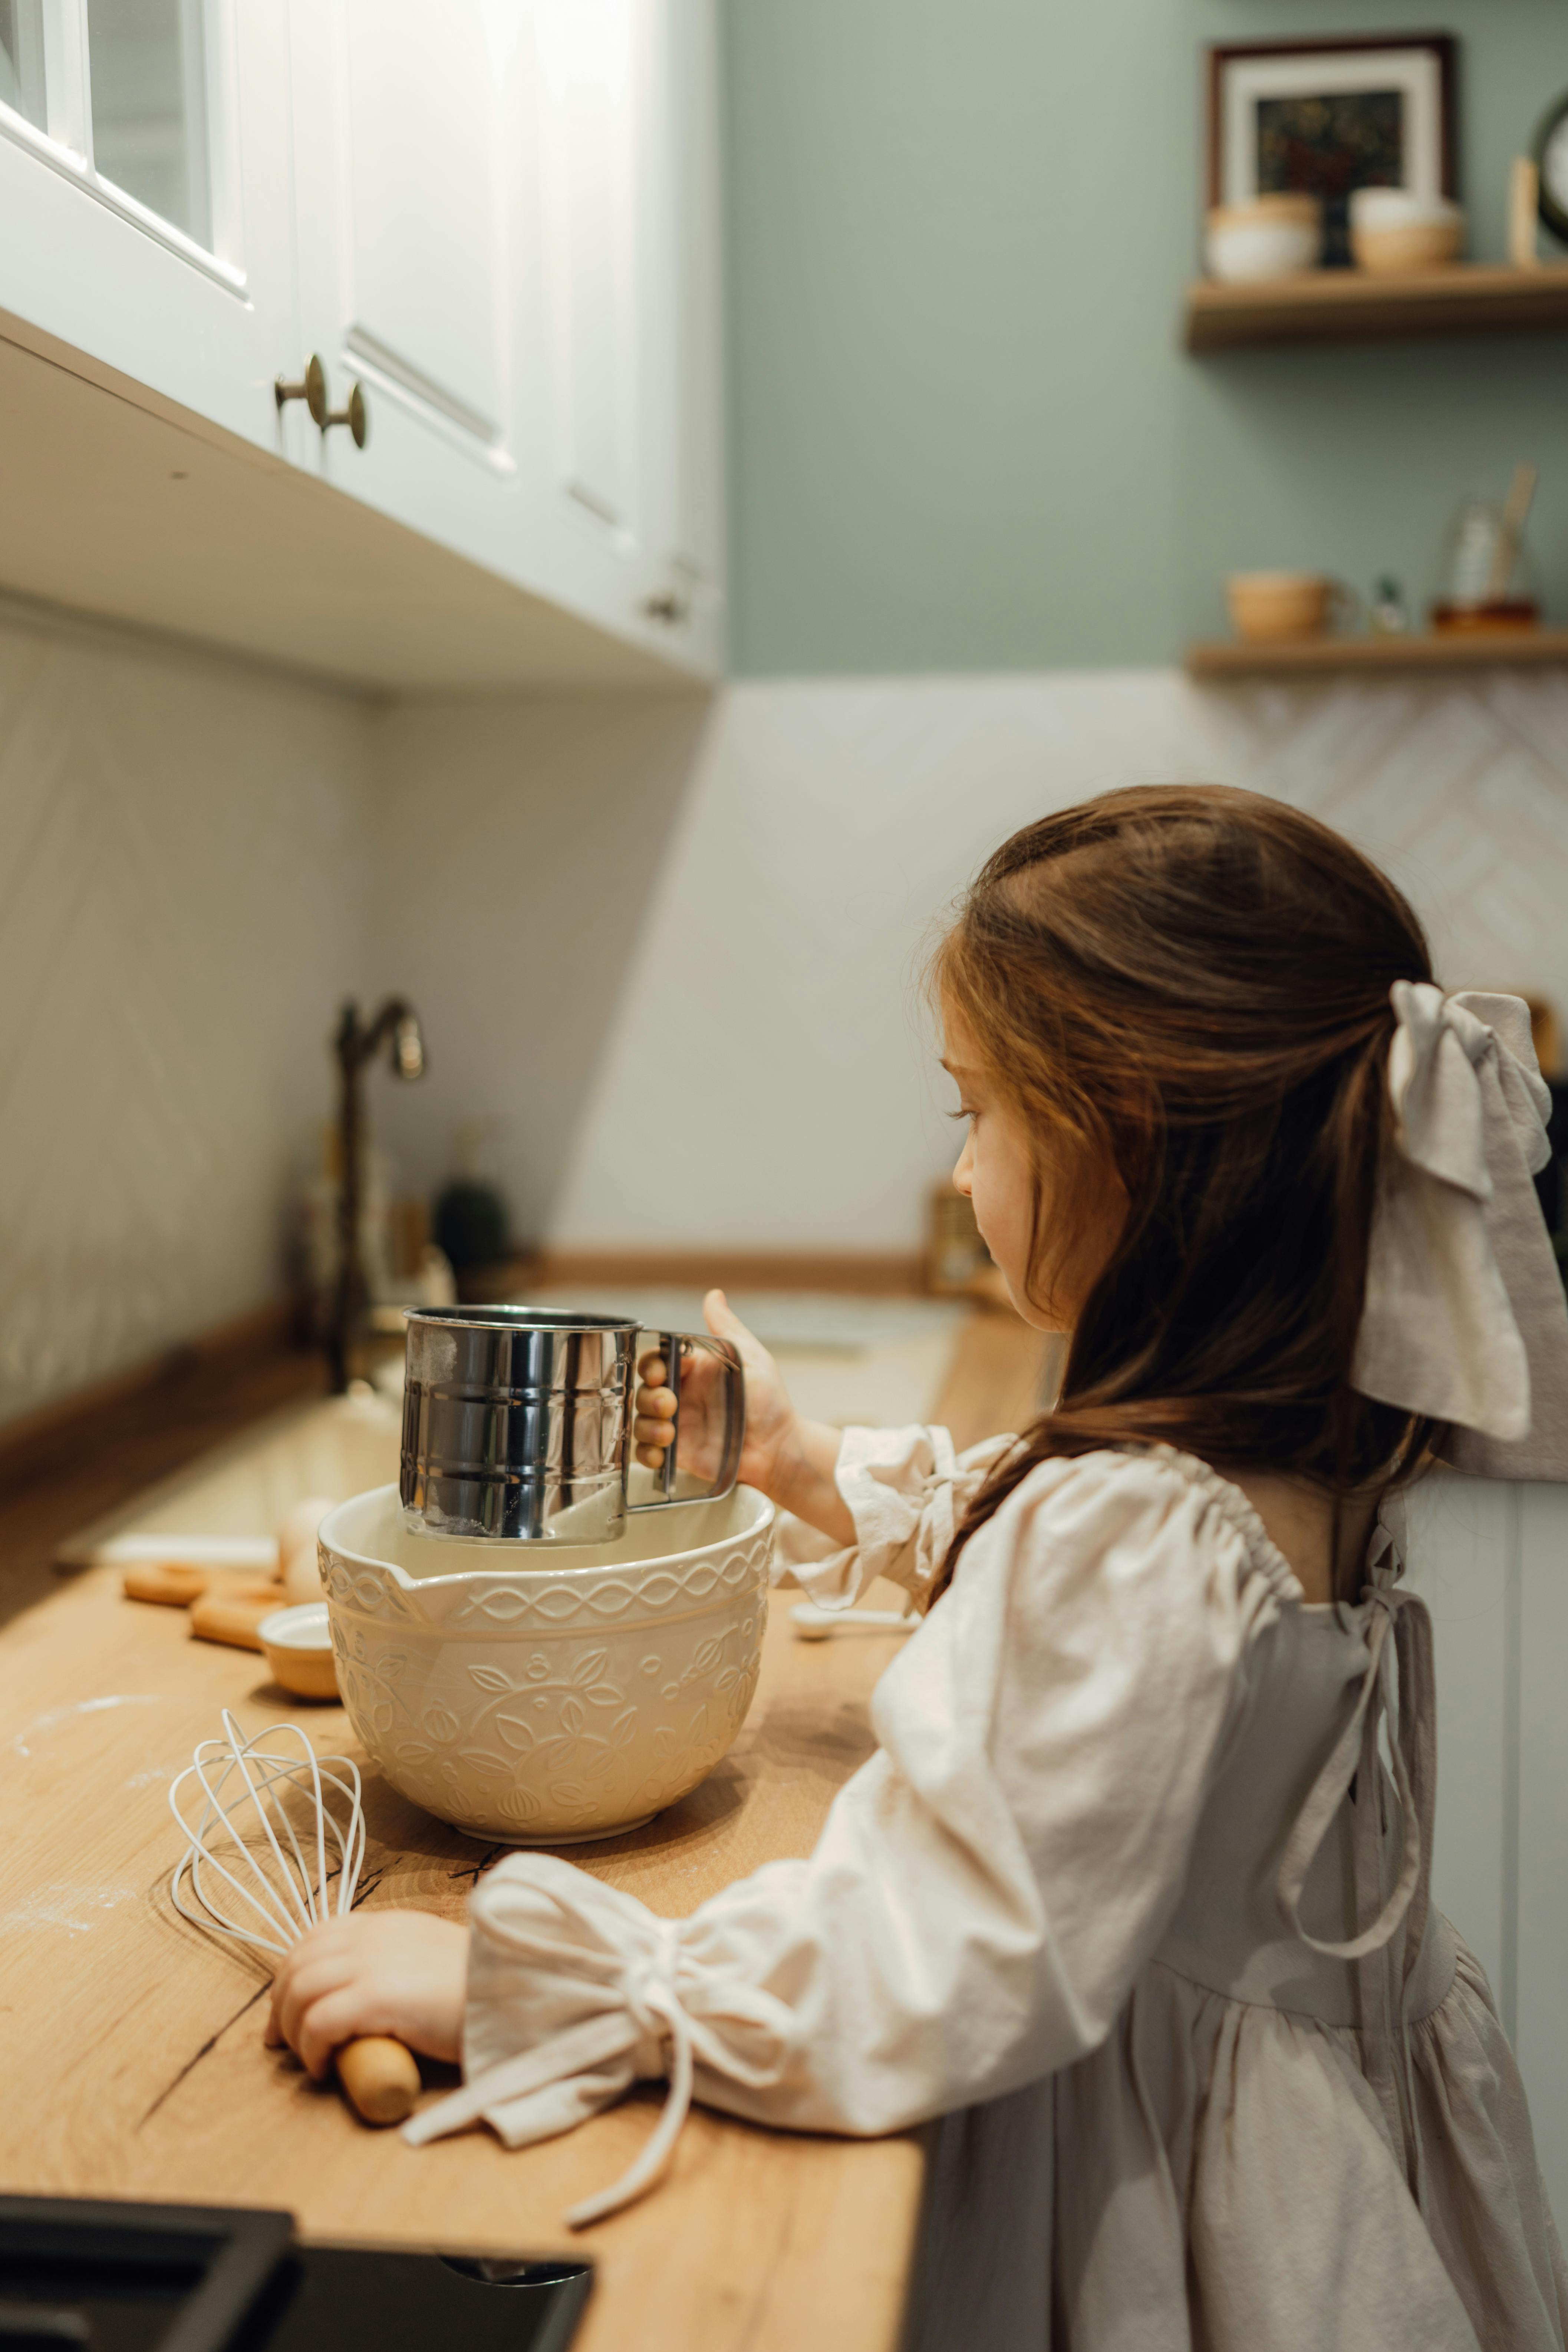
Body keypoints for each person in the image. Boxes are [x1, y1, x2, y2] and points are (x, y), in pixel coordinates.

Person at [268, 786, 1568, 2349]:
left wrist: (528, 1981)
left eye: (975, 1112)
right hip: (1319, 2143)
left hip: (1162, 2209)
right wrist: (809, 1465)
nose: (960, 1175)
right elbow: (1094, 1610)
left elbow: (924, 1959)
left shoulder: (1135, 1530)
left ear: (1119, 1132)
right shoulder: (1304, 1454)